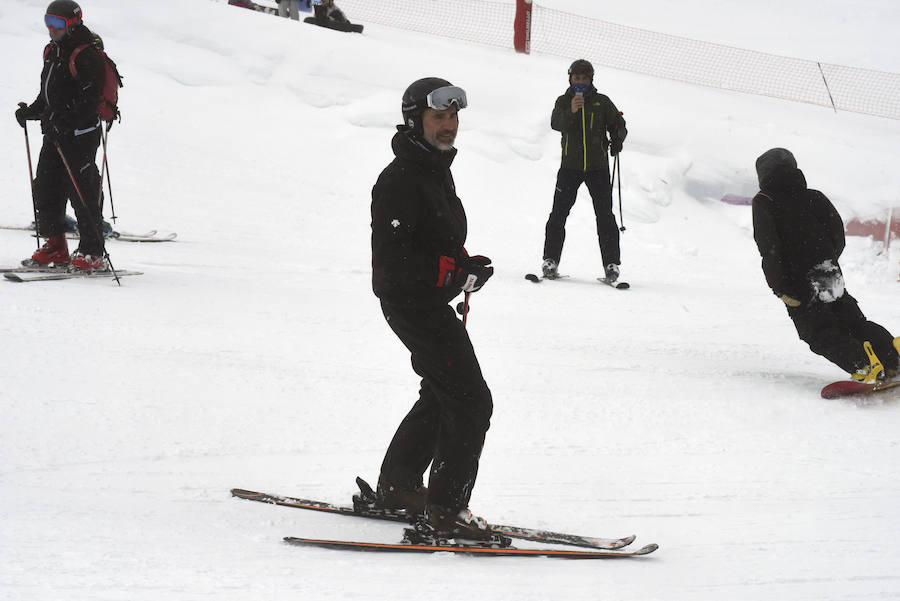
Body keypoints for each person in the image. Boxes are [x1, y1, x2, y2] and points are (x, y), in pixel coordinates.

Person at [369, 77, 495, 540]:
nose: (450, 126)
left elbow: (433, 242)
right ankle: (445, 511)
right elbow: (395, 263)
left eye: (454, 117)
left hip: (424, 301)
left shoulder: (433, 167)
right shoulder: (400, 178)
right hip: (410, 305)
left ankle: (400, 485)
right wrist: (450, 274)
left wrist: (465, 268)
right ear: (415, 120)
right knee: (470, 399)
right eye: (439, 117)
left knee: (443, 392)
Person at [752, 148, 900, 382]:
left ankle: (864, 366)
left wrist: (780, 287)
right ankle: (893, 360)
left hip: (797, 281)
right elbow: (837, 235)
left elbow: (769, 248)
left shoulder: (765, 202)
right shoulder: (815, 197)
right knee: (852, 322)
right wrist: (826, 261)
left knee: (818, 332)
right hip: (828, 272)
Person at [15, 0, 108, 271]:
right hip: (55, 134)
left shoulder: (85, 54)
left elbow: (90, 99)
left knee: (81, 190)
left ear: (73, 23)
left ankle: (93, 252)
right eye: (48, 23)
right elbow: (50, 94)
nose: (51, 29)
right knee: (45, 186)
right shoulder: (53, 51)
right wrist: (32, 111)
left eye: (58, 24)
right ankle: (55, 245)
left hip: (80, 134)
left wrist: (65, 120)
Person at [541, 59, 627, 282]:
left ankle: (611, 264)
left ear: (591, 79)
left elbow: (618, 124)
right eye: (576, 78)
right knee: (558, 214)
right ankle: (550, 260)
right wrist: (571, 110)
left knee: (605, 216)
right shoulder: (563, 100)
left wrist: (618, 137)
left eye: (584, 78)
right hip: (570, 166)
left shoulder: (601, 102)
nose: (580, 82)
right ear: (570, 78)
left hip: (597, 168)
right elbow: (555, 123)